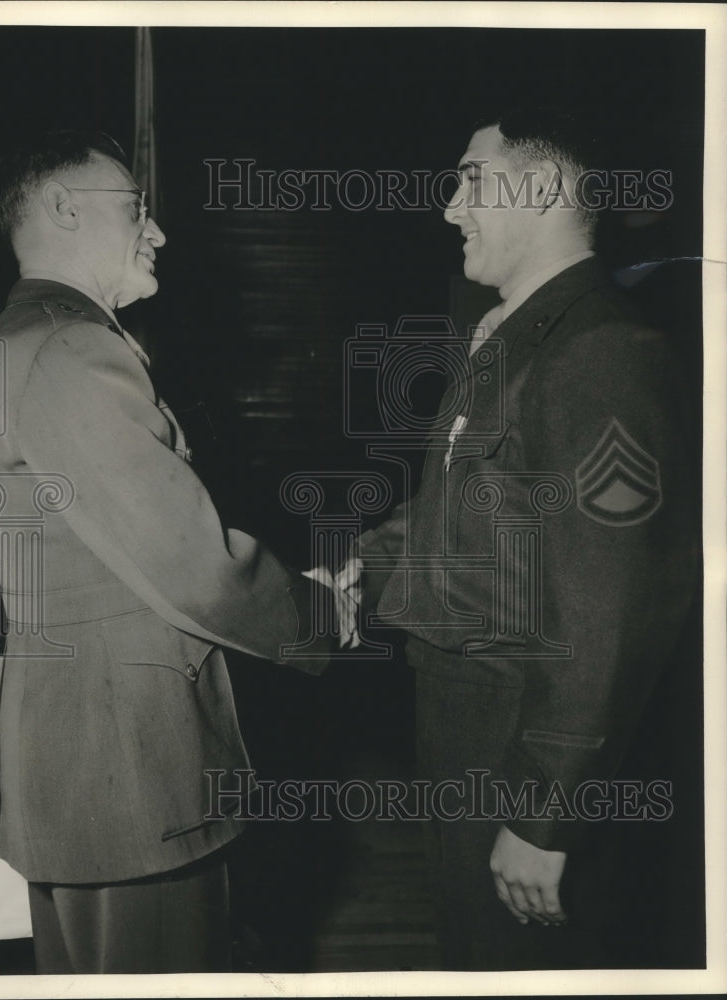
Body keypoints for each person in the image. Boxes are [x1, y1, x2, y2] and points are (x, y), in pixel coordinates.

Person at [0, 129, 353, 974]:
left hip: (83, 754)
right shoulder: (72, 349)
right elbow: (190, 561)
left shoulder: (17, 340)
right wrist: (322, 613)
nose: (158, 231)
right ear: (65, 209)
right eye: (136, 208)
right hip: (132, 765)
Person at [336, 108, 700, 969]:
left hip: (521, 741)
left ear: (538, 188)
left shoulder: (599, 349)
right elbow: (464, 507)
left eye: (470, 178)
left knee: (516, 967)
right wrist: (364, 569)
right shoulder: (515, 334)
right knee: (472, 951)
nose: (449, 207)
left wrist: (544, 817)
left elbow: (610, 610)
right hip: (467, 723)